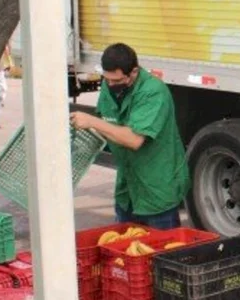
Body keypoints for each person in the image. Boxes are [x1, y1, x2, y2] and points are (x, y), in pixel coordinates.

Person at [70, 43, 190, 230]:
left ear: (133, 72)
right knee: (124, 252)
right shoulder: (110, 85)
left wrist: (92, 121)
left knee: (160, 252)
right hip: (127, 190)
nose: (110, 85)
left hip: (156, 189)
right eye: (106, 79)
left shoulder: (153, 91)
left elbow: (134, 139)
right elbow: (108, 124)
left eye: (117, 81)